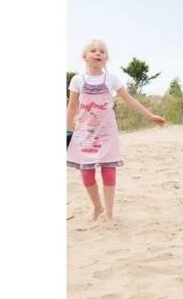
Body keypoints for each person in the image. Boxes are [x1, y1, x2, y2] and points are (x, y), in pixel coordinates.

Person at [67, 39, 167, 222]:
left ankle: (109, 211)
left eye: (102, 51)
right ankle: (97, 206)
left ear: (106, 58)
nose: (98, 53)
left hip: (108, 134)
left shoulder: (112, 79)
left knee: (109, 171)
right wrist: (65, 129)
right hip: (85, 134)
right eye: (93, 50)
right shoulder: (77, 80)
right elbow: (72, 106)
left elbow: (129, 100)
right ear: (84, 56)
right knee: (86, 172)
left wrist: (151, 116)